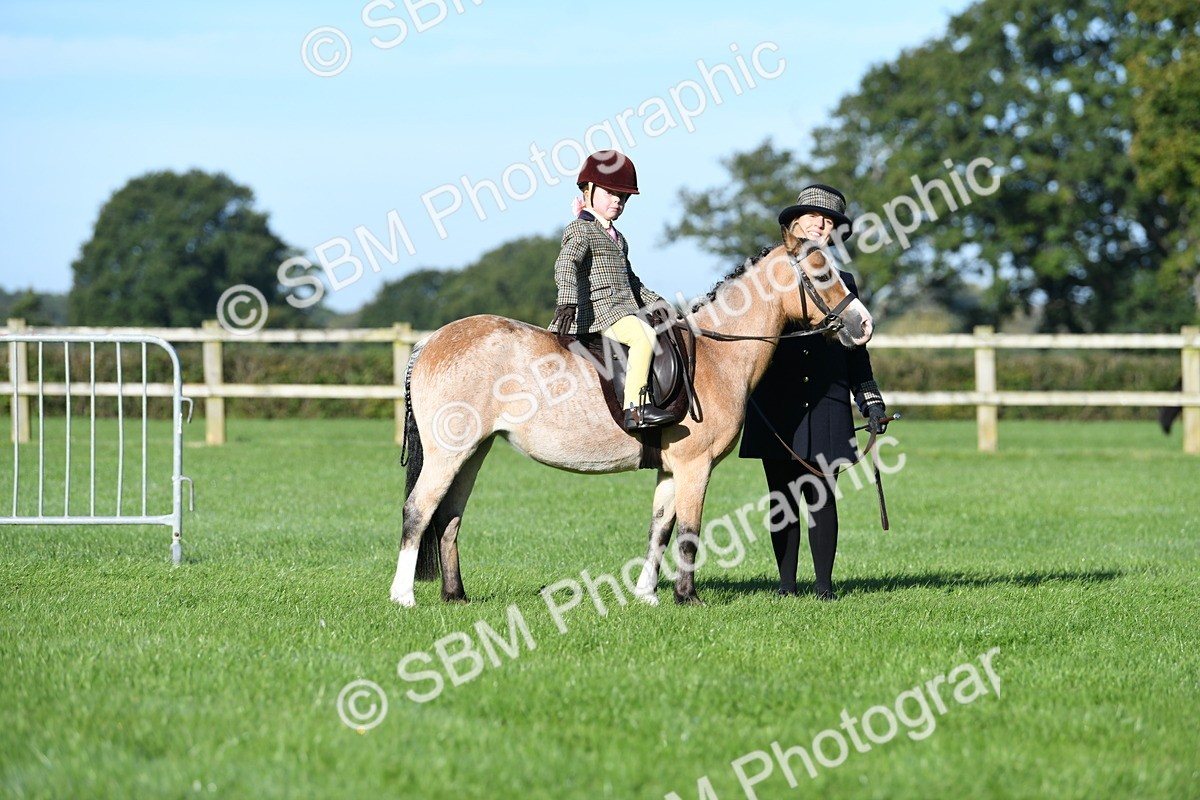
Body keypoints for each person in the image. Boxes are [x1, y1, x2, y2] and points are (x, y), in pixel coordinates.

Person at [739, 184, 889, 601]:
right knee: (781, 496)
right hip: (775, 398)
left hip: (828, 398)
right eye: (814, 219)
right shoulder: (762, 271)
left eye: (829, 223)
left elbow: (857, 352)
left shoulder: (845, 281)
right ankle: (785, 587)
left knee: (821, 493)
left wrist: (870, 401)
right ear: (793, 225)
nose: (821, 226)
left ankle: (824, 588)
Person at [551, 150, 673, 430]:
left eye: (624, 196)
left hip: (621, 310)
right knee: (644, 336)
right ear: (589, 190)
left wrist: (659, 303)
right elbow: (566, 263)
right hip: (598, 313)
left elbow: (632, 281)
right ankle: (635, 409)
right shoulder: (580, 230)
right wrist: (567, 301)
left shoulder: (618, 238)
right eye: (610, 193)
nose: (618, 200)